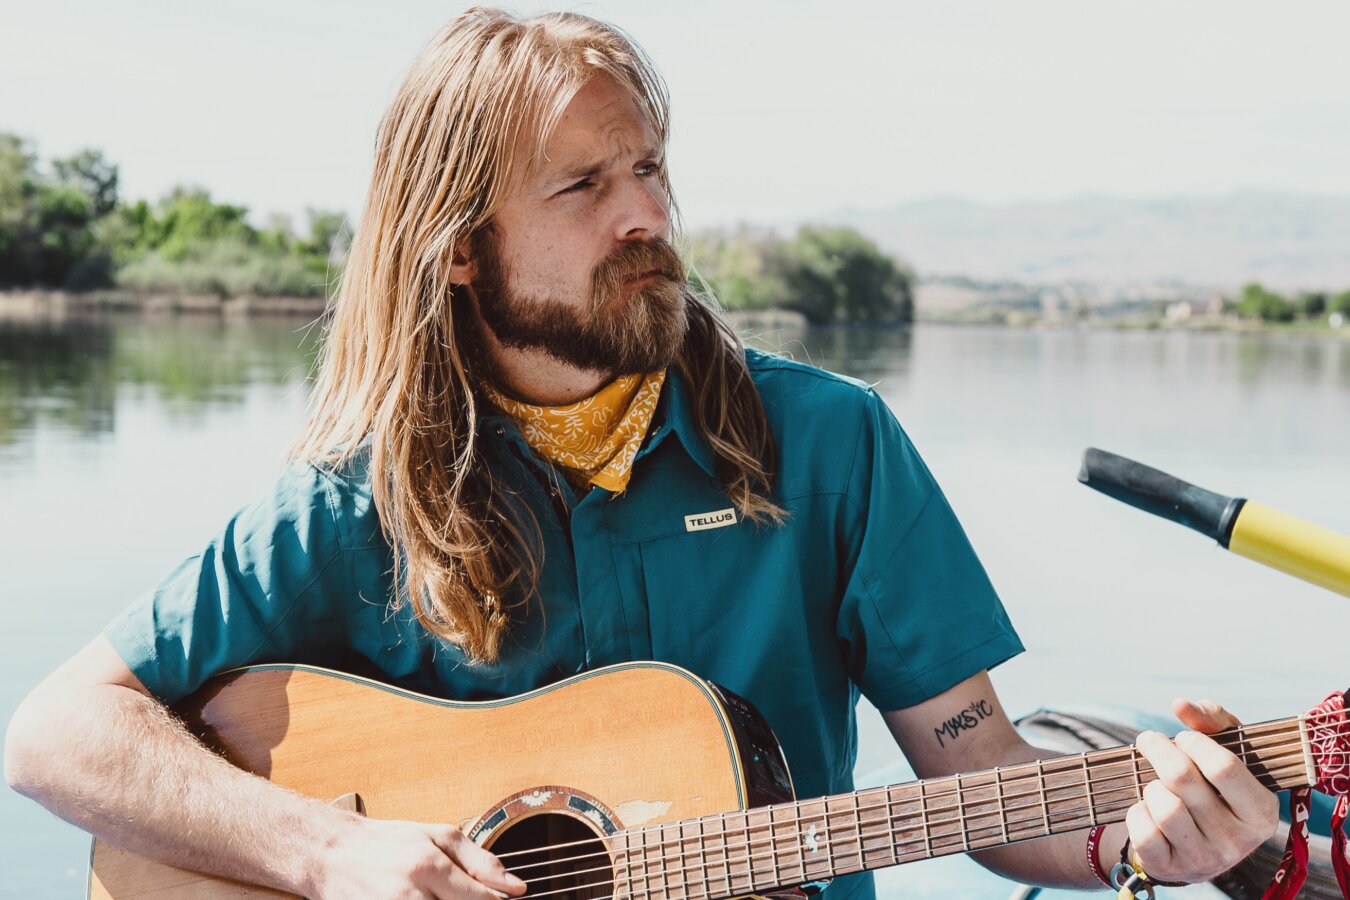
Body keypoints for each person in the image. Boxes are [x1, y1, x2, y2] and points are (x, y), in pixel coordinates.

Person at [4, 8, 1277, 899]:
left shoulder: (833, 444)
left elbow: (985, 783)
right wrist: (321, 854)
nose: (651, 215)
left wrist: (1137, 842)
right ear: (456, 247)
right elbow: (55, 734)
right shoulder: (355, 503)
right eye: (584, 188)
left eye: (652, 169)